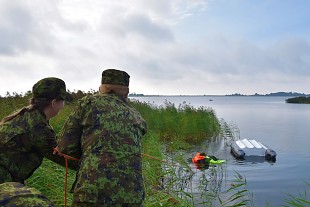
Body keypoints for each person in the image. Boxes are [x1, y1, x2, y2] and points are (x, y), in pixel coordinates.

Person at [56, 69, 148, 207]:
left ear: (102, 88)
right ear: (127, 92)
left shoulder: (88, 103)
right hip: (132, 195)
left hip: (92, 193)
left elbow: (65, 147)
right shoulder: (136, 114)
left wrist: (88, 159)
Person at [0, 77, 78, 184]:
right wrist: (96, 165)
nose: (63, 106)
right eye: (63, 101)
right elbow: (62, 157)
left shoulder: (27, 115)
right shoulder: (38, 128)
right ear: (54, 102)